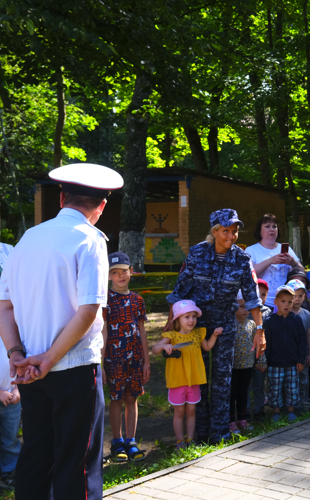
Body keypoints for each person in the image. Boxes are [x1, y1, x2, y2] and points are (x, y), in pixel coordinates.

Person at [0, 163, 122, 499]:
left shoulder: (27, 238)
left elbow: (4, 305)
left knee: (36, 456)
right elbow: (89, 310)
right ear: (101, 205)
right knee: (78, 463)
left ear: (60, 198)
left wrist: (17, 354)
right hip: (73, 369)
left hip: (30, 370)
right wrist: (48, 359)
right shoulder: (90, 239)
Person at [167, 209, 264, 444]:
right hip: (194, 325)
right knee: (198, 379)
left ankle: (219, 432)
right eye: (226, 231)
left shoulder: (242, 260)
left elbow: (252, 299)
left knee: (223, 379)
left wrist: (260, 331)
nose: (231, 236)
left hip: (224, 324)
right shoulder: (198, 253)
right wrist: (170, 327)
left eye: (234, 231)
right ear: (215, 231)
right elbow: (180, 291)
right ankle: (198, 432)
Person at [152, 300, 222, 449]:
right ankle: (179, 441)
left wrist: (215, 335)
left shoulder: (198, 334)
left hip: (194, 380)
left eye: (194, 317)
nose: (191, 320)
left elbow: (208, 347)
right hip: (177, 380)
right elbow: (155, 349)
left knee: (191, 411)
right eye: (187, 317)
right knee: (179, 412)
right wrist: (165, 345)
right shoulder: (172, 335)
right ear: (177, 319)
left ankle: (190, 440)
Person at [102, 251, 149, 462]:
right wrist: (101, 364)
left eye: (124, 271)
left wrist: (146, 361)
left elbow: (142, 331)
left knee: (132, 399)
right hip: (114, 359)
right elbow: (102, 331)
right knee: (116, 399)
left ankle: (131, 441)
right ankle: (117, 442)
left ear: (131, 272)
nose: (120, 275)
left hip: (135, 359)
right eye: (115, 272)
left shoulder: (137, 300)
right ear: (109, 275)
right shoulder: (104, 300)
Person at [264, 285, 307, 422]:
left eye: (289, 301)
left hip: (293, 362)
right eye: (283, 301)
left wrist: (301, 359)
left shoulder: (296, 320)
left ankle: (291, 410)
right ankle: (276, 411)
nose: (286, 304)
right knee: (274, 388)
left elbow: (302, 341)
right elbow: (267, 344)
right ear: (275, 302)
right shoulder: (269, 321)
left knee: (292, 387)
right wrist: (266, 361)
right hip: (274, 363)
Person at [246, 214, 301, 307]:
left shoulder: (286, 248)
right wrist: (270, 261)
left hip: (286, 303)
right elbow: (249, 274)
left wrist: (292, 262)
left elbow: (301, 270)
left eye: (274, 226)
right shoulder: (251, 250)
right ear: (259, 230)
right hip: (263, 302)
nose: (271, 229)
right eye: (267, 226)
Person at [229, 290, 255, 433]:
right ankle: (231, 421)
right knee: (231, 394)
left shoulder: (251, 324)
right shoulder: (230, 325)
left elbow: (257, 344)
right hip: (233, 367)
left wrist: (261, 361)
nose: (246, 310)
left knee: (243, 393)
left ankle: (243, 419)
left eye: (247, 306)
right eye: (242, 306)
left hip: (247, 366)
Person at [287, 279, 310, 411]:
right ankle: (288, 404)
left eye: (300, 296)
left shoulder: (307, 315)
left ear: (304, 297)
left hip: (302, 355)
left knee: (303, 379)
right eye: (293, 296)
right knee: (287, 380)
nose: (297, 299)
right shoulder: (283, 314)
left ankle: (303, 403)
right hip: (287, 355)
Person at [0, 342, 21, 490]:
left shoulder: (13, 336)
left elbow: (21, 362)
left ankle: (10, 472)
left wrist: (18, 389)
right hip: (2, 393)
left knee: (10, 438)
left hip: (12, 396)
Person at [251, 280, 272, 420]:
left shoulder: (267, 312)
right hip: (245, 354)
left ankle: (258, 409)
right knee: (246, 385)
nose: (261, 297)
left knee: (259, 383)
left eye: (263, 294)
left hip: (261, 354)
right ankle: (244, 411)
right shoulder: (245, 310)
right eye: (258, 293)